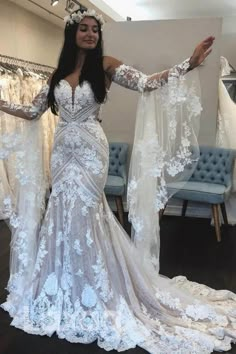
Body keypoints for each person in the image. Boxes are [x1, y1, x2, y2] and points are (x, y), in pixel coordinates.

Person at [0, 8, 235, 354]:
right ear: (72, 33)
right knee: (62, 211)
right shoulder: (57, 74)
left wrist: (190, 62)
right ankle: (62, 283)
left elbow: (146, 82)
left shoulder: (106, 65)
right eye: (84, 28)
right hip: (63, 152)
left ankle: (99, 285)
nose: (91, 34)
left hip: (92, 150)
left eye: (95, 29)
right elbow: (32, 112)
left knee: (88, 212)